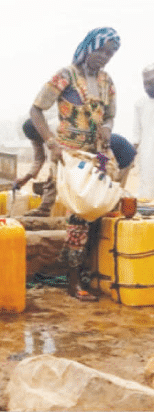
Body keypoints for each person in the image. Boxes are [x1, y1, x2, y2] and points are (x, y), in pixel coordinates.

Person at [30, 27, 121, 301]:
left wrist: (106, 127)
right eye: (101, 50)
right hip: (70, 155)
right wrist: (51, 143)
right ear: (88, 47)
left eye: (110, 53)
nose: (104, 57)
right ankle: (73, 281)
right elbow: (36, 109)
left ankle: (91, 274)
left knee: (101, 211)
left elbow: (110, 116)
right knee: (79, 215)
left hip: (97, 156)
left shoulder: (107, 82)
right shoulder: (66, 76)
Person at [132, 63, 154, 200]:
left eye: (151, 82)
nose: (147, 87)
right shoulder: (140, 103)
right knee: (147, 186)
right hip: (146, 153)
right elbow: (136, 132)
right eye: (145, 83)